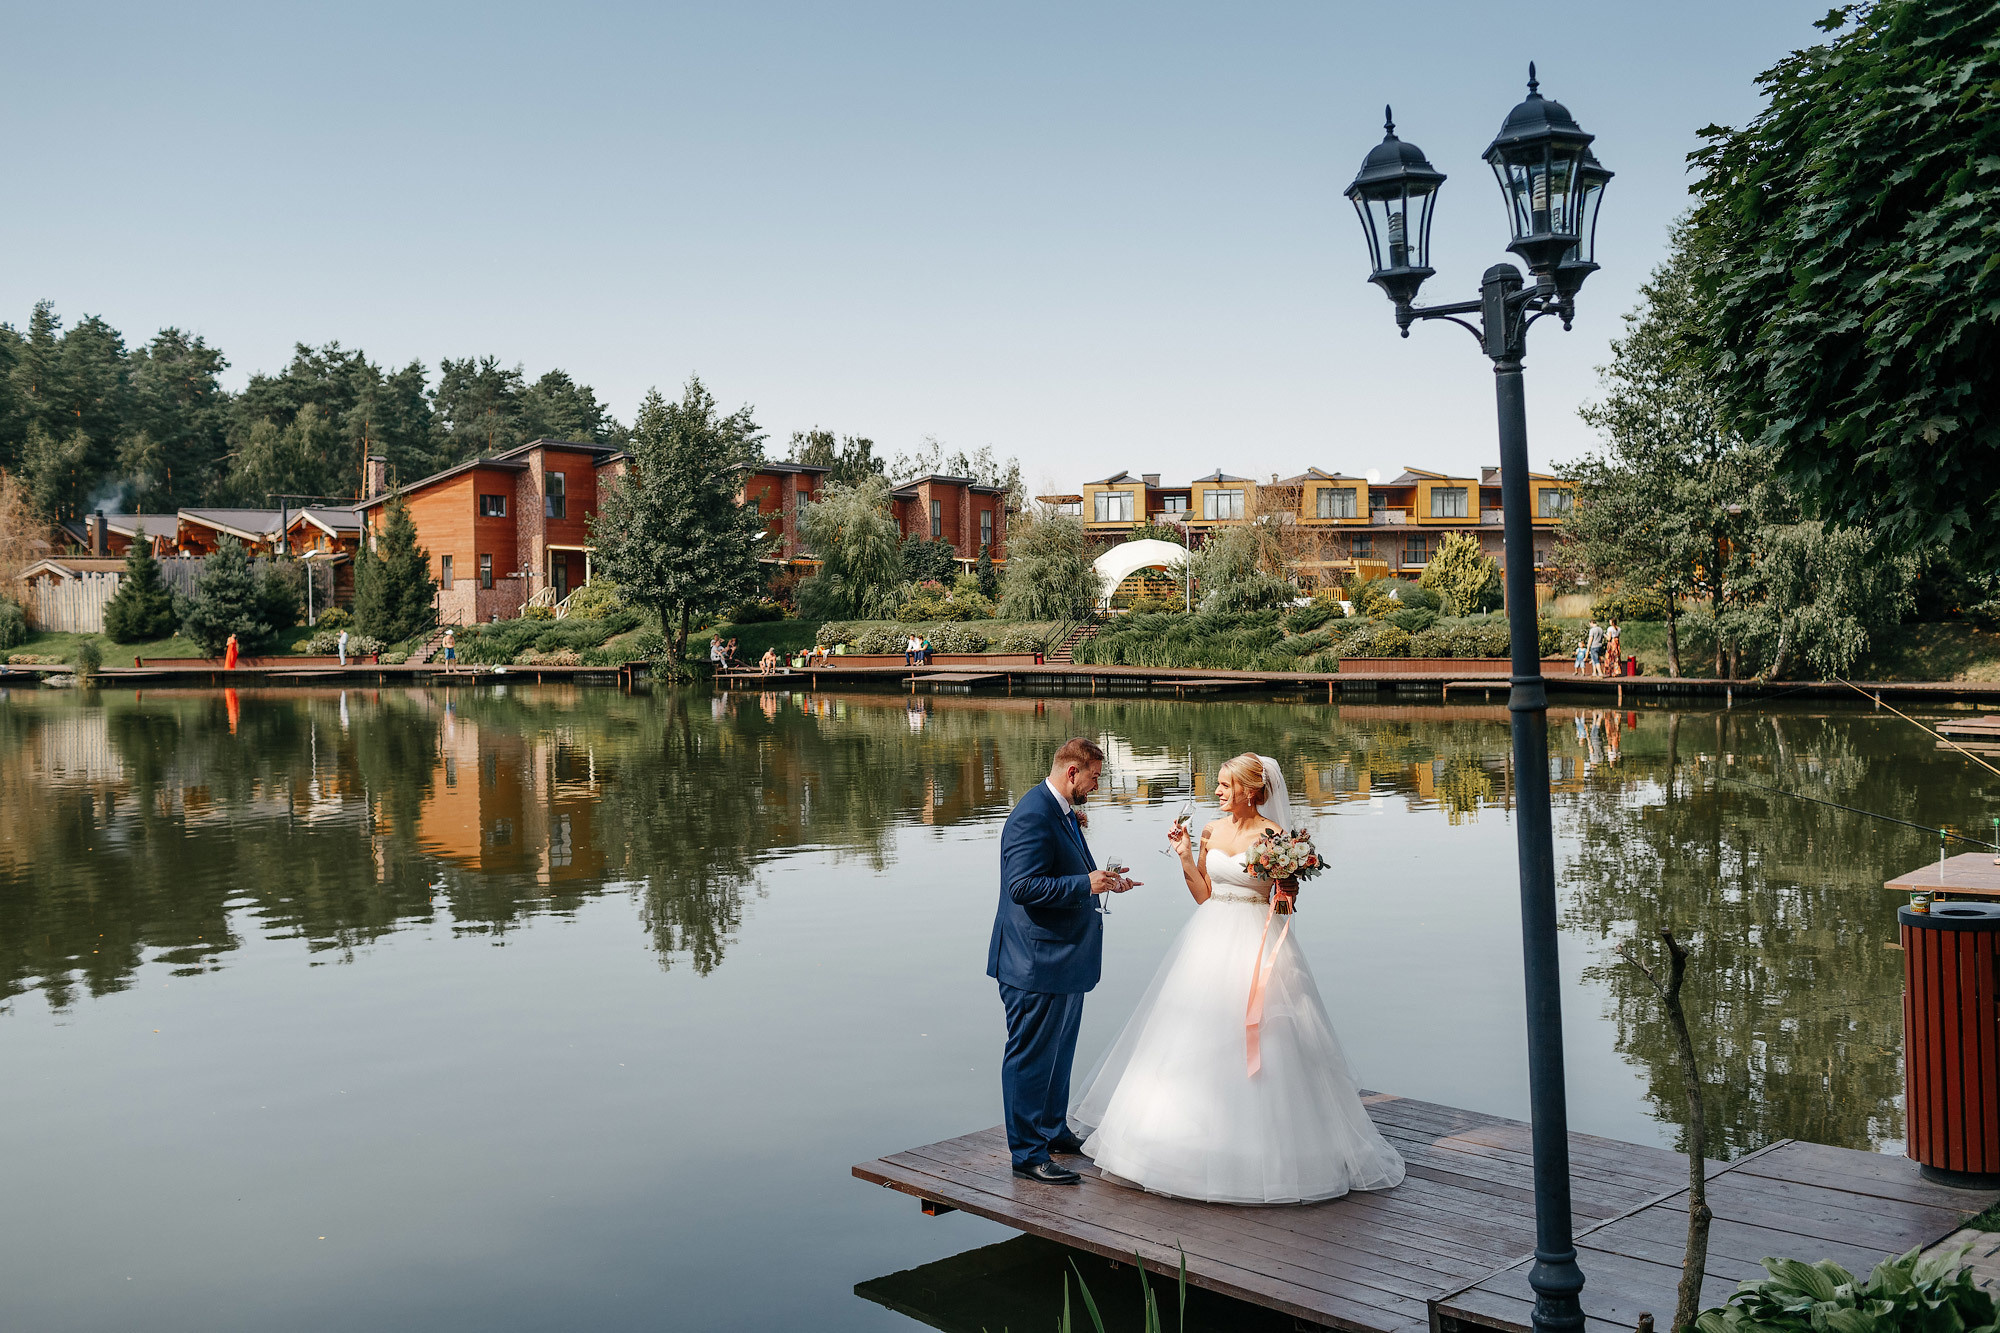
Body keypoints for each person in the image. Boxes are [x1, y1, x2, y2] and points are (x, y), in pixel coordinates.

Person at [1069, 753, 1405, 1204]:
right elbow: (1203, 895)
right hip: (1208, 940)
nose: (1218, 792)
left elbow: (1283, 904)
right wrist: (1185, 857)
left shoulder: (1275, 837)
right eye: (1219, 784)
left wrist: (1287, 889)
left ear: (1250, 790)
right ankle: (1174, 1147)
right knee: (1192, 1034)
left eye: (1226, 785)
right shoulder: (1211, 830)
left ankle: (1275, 1155)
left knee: (1270, 1038)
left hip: (1256, 943)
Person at [989, 738, 1137, 1184]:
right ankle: (1027, 1154)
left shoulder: (1062, 811)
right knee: (1031, 1057)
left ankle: (1052, 1130)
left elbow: (1067, 873)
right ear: (1072, 772)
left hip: (1064, 959)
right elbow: (1022, 887)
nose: (1097, 785)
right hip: (1034, 962)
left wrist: (1103, 882)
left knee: (1059, 1053)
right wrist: (1085, 885)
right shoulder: (1032, 814)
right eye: (1094, 776)